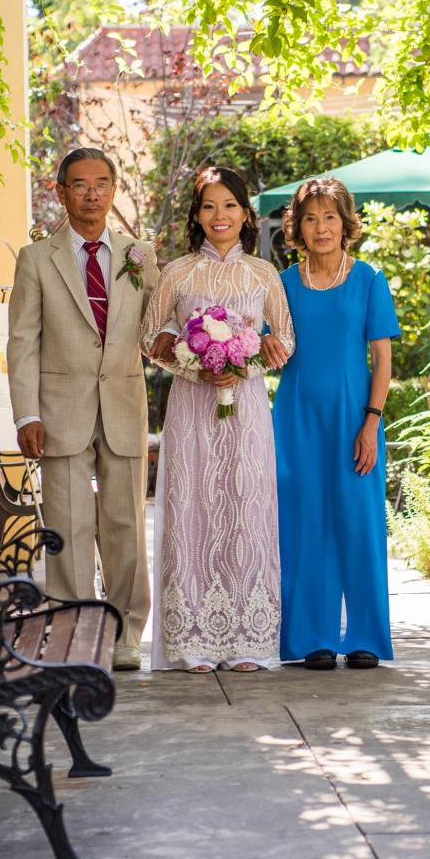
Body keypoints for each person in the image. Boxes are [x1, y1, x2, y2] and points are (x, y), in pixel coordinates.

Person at [7, 147, 159, 671]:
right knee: (68, 527)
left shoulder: (140, 255)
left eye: (101, 184)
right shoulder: (36, 259)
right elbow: (22, 341)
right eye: (79, 185)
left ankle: (125, 634)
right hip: (59, 411)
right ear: (61, 192)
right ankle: (73, 632)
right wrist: (26, 415)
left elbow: (157, 326)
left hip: (123, 405)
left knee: (125, 525)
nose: (91, 194)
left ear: (113, 191)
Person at [141, 167, 295, 673]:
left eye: (229, 205)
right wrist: (195, 366)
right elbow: (149, 340)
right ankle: (194, 642)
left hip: (246, 407)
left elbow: (286, 339)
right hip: (192, 406)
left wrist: (249, 362)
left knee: (246, 507)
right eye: (209, 206)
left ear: (246, 214)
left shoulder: (264, 274)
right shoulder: (178, 273)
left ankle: (248, 640)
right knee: (193, 509)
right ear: (197, 214)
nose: (219, 215)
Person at [266, 177, 400, 671]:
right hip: (296, 417)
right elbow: (267, 345)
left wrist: (371, 422)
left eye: (329, 217)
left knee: (358, 523)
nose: (321, 227)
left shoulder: (369, 279)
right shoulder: (282, 284)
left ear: (345, 223)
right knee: (304, 524)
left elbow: (382, 361)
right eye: (310, 218)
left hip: (354, 418)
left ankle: (366, 636)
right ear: (297, 227)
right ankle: (311, 638)